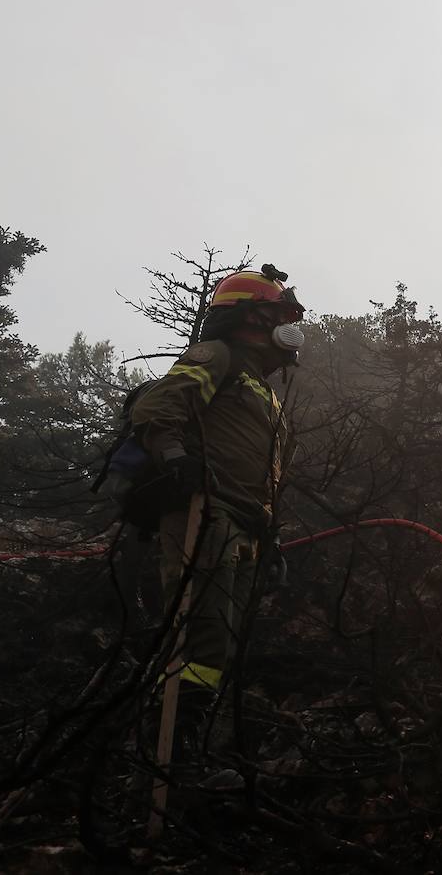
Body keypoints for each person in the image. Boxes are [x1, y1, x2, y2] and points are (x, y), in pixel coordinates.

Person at [131, 265, 303, 766]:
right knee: (198, 635)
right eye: (278, 315)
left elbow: (268, 475)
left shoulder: (265, 393)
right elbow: (159, 409)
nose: (287, 328)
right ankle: (163, 753)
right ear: (250, 317)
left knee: (221, 645)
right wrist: (175, 460)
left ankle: (187, 740)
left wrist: (271, 539)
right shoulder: (218, 357)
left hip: (245, 526)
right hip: (205, 513)